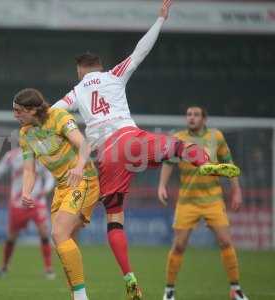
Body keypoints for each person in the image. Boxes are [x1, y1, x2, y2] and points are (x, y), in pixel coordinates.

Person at [52, 0, 239, 298]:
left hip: (107, 156)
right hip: (131, 139)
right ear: (99, 66)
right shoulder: (114, 74)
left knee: (114, 218)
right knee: (177, 145)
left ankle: (129, 276)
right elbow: (141, 51)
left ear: (81, 70)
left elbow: (54, 114)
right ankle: (200, 161)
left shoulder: (76, 92)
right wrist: (160, 20)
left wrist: (38, 123)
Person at [13, 88, 100, 300]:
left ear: (32, 110)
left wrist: (79, 167)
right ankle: (76, 295)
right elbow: (28, 169)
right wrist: (26, 191)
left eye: (18, 111)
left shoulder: (58, 116)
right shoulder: (25, 134)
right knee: (65, 242)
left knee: (59, 233)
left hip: (84, 180)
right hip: (62, 187)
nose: (15, 115)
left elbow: (84, 145)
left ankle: (81, 297)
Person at [158, 106, 248, 300]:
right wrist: (162, 186)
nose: (191, 117)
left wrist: (236, 191)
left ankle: (236, 289)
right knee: (179, 245)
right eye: (189, 114)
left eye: (196, 114)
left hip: (213, 199)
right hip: (187, 200)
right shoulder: (179, 138)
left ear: (204, 119)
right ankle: (169, 291)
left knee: (225, 241)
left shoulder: (217, 137)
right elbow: (168, 162)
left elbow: (229, 164)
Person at [0, 148, 56, 279]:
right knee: (12, 236)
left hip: (37, 200)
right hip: (18, 202)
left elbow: (49, 176)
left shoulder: (42, 154)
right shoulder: (11, 156)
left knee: (44, 231)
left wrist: (46, 190)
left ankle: (48, 268)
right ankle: (5, 266)